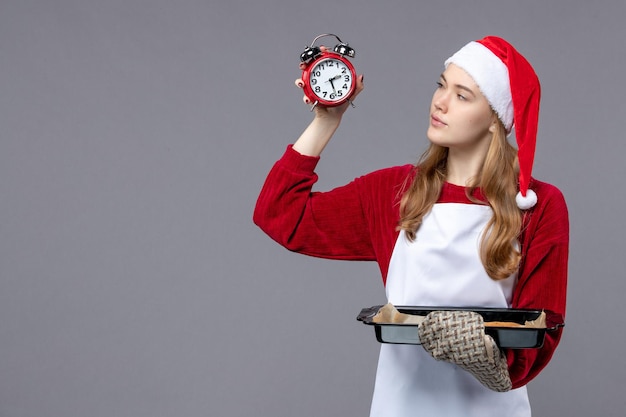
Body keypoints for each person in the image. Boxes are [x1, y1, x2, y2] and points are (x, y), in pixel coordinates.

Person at [253, 36, 569, 417]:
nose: (440, 102)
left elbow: (542, 328)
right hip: (402, 405)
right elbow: (280, 214)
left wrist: (487, 359)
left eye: (463, 95)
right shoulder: (394, 192)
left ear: (495, 121)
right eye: (441, 84)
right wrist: (326, 120)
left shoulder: (538, 206)